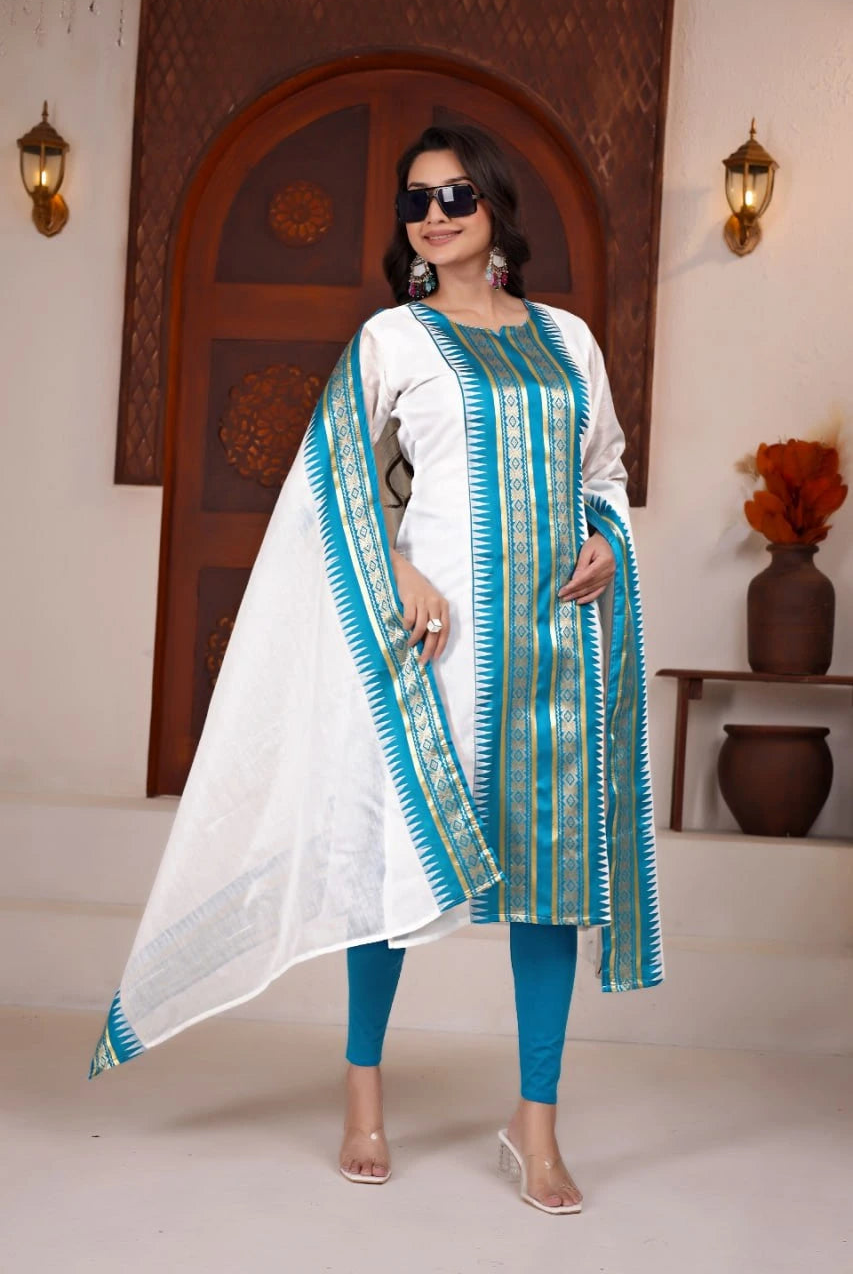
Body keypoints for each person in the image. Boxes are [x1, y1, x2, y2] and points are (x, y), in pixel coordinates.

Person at [89, 123, 663, 1217]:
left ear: (494, 205)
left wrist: (602, 532)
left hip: (554, 643)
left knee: (546, 884)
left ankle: (533, 1128)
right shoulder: (392, 339)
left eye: (454, 193)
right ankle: (364, 1094)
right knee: (388, 873)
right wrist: (397, 561)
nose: (435, 213)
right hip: (435, 646)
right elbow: (335, 480)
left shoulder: (569, 342)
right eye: (415, 201)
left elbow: (605, 467)